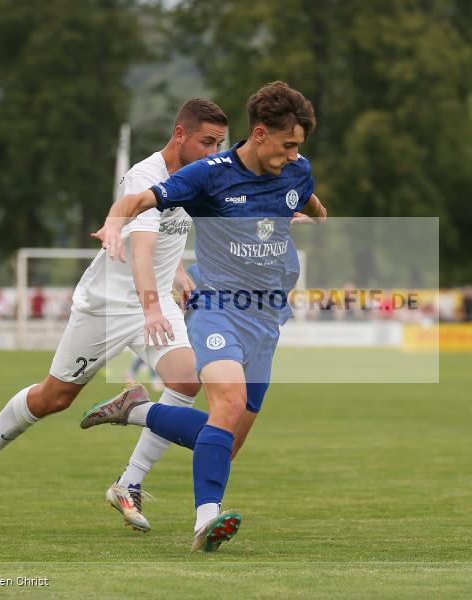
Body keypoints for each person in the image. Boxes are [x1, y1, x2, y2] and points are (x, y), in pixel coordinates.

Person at [0, 100, 229, 532]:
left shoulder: (197, 176)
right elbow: (141, 250)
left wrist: (177, 273)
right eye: (207, 142)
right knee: (54, 398)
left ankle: (128, 483)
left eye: (219, 144)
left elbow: (169, 232)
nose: (214, 152)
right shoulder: (145, 176)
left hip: (153, 302)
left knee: (186, 380)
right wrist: (151, 306)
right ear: (180, 134)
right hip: (108, 307)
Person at [82, 81, 327, 552]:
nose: (295, 155)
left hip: (266, 319)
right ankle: (206, 521)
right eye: (288, 144)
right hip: (215, 308)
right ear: (260, 134)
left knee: (226, 443)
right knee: (227, 406)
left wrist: (309, 219)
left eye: (299, 146)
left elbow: (315, 206)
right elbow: (137, 201)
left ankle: (137, 410)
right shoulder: (210, 175)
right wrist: (114, 221)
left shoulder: (297, 171)